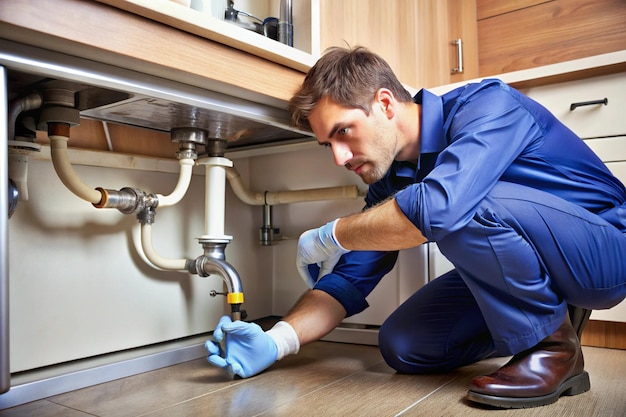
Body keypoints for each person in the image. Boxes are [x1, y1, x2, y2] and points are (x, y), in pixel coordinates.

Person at [206, 46, 626, 409]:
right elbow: (348, 281)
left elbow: (442, 208)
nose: (339, 157)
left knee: (456, 203)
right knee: (404, 345)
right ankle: (552, 315)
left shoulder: (490, 105)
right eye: (328, 144)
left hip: (606, 252)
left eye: (343, 132)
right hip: (522, 253)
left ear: (385, 104)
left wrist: (331, 233)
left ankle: (552, 350)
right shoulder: (392, 181)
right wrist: (277, 340)